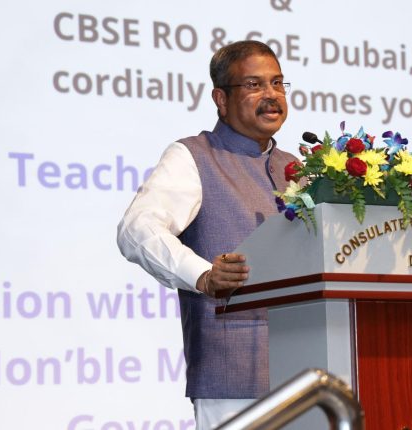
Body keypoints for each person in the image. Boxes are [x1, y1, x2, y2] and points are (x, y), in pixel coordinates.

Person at [116, 40, 299, 429]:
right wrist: (202, 275)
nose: (271, 95)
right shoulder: (193, 156)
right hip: (234, 382)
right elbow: (137, 228)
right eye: (254, 85)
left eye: (277, 83)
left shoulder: (297, 168)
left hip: (310, 371)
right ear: (221, 99)